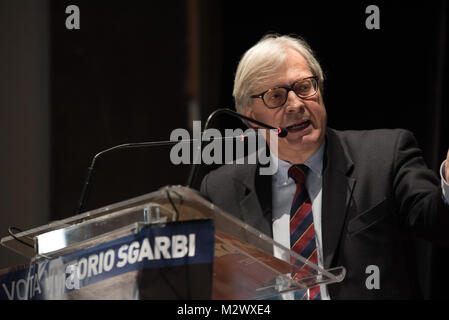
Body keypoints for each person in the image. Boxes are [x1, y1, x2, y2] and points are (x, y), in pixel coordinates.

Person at [199, 34, 449, 299]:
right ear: (251, 118)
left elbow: (437, 221)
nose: (296, 104)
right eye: (276, 96)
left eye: (305, 87)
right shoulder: (221, 190)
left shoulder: (385, 156)